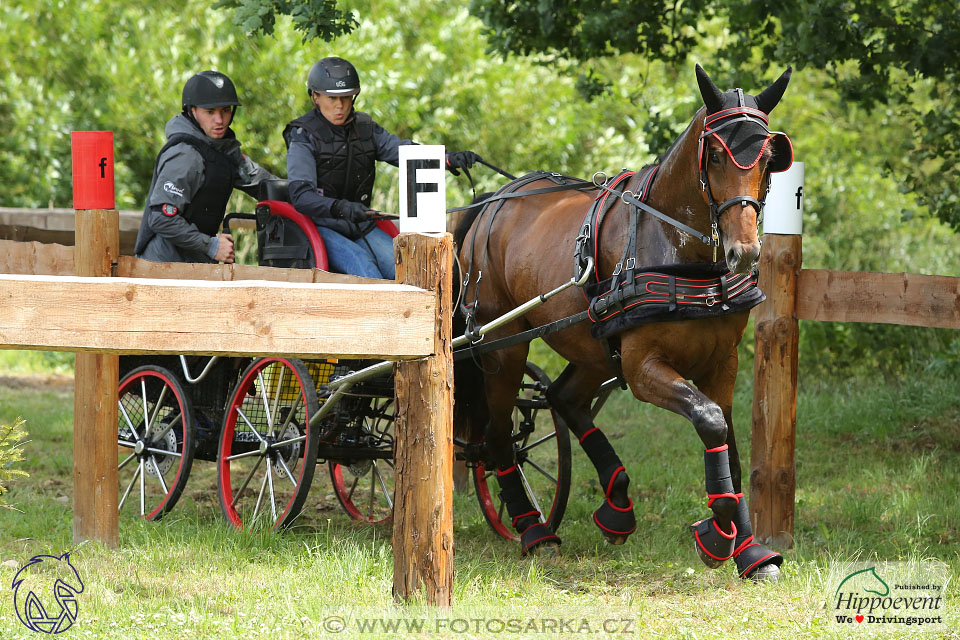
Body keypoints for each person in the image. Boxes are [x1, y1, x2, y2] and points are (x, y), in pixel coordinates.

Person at [283, 56, 479, 279]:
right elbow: (301, 197)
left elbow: (402, 151)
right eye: (332, 98)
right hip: (320, 226)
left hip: (359, 225)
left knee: (411, 271)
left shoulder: (365, 128)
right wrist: (341, 207)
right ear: (316, 97)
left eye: (346, 97)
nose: (340, 105)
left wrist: (447, 159)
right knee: (366, 270)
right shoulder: (302, 135)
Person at [134, 70, 278, 263]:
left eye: (225, 110)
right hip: (161, 267)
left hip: (194, 265)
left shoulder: (224, 150)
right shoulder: (185, 155)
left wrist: (301, 194)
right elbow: (161, 218)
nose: (219, 120)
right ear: (192, 111)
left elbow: (264, 183)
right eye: (210, 112)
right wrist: (210, 245)